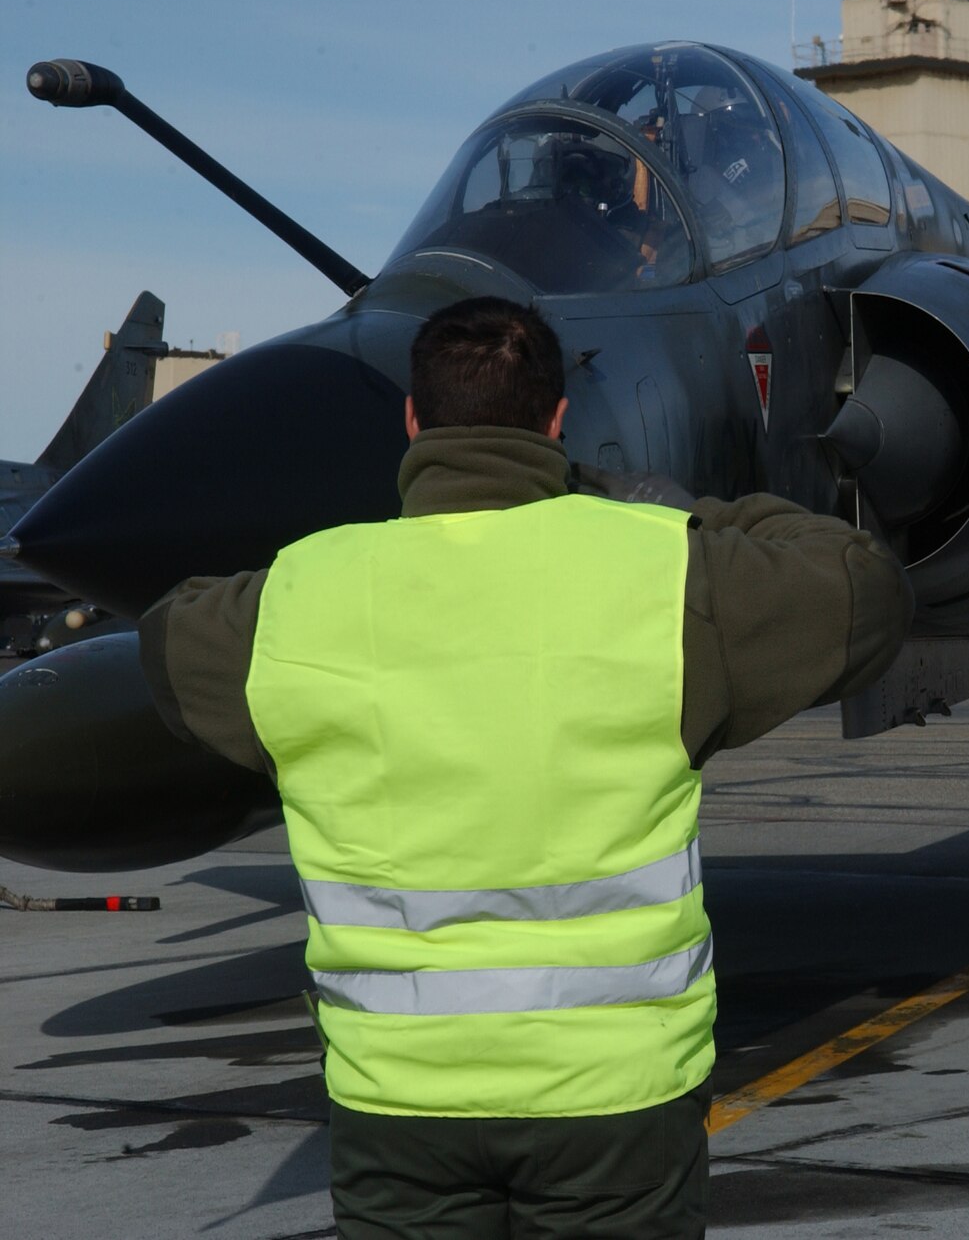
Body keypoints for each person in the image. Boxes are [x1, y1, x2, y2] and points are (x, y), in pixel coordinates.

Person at [137, 296, 913, 1238]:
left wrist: (335, 568)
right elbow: (863, 581)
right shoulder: (667, 575)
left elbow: (169, 637)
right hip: (616, 1106)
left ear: (415, 423)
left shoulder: (302, 598)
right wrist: (674, 515)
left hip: (400, 1106)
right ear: (555, 420)